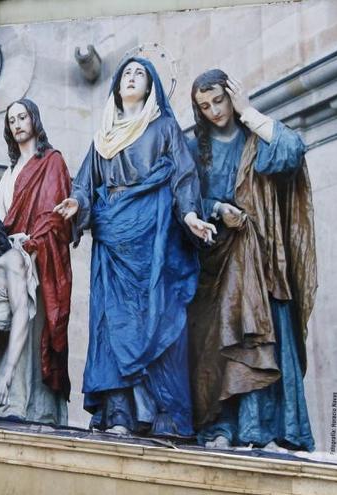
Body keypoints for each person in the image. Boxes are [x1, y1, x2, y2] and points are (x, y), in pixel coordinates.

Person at [53, 57, 215, 437]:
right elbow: (84, 182)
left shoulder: (164, 128)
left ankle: (163, 411)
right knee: (111, 324)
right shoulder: (103, 136)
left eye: (139, 73)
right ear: (116, 87)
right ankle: (119, 412)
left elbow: (184, 177)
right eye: (126, 73)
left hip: (155, 235)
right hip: (112, 238)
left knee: (158, 318)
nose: (131, 77)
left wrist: (190, 215)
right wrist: (78, 202)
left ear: (151, 87)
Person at [187, 69, 316, 452]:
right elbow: (185, 199)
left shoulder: (256, 138)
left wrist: (249, 112)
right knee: (217, 347)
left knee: (261, 341)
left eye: (219, 100)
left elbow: (292, 150)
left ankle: (261, 430)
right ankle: (220, 428)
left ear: (231, 95)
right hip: (216, 261)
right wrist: (216, 208)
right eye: (204, 106)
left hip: (260, 261)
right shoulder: (194, 150)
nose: (213, 111)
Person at [0, 98, 73, 410]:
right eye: (12, 120)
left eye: (23, 117)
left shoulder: (52, 161)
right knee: (3, 325)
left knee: (35, 328)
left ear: (34, 119)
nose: (18, 124)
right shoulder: (9, 173)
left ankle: (32, 407)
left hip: (39, 263)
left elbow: (54, 215)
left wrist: (32, 241)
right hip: (10, 262)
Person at [0, 215, 67, 424]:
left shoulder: (11, 258)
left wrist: (7, 373)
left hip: (13, 347)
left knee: (5, 410)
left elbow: (21, 312)